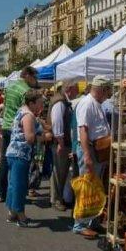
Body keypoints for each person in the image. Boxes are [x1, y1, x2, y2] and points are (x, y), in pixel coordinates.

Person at [74, 75, 112, 238]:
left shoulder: (95, 103)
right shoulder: (87, 103)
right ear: (102, 89)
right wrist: (87, 156)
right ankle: (80, 224)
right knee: (88, 187)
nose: (109, 93)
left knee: (95, 188)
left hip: (96, 150)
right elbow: (83, 130)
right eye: (108, 90)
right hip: (89, 149)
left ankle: (92, 222)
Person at [5, 90, 50, 227]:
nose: (41, 106)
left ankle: (12, 212)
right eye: (39, 103)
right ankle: (20, 215)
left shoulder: (23, 111)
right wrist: (44, 138)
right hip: (20, 154)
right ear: (32, 103)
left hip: (14, 153)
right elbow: (30, 138)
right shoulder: (28, 115)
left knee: (13, 184)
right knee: (19, 185)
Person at [0, 66, 39, 202]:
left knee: (5, 160)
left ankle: (1, 192)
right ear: (27, 75)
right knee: (20, 162)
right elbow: (26, 110)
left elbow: (5, 105)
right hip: (18, 129)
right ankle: (18, 194)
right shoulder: (26, 91)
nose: (35, 80)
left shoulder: (10, 87)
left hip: (6, 125)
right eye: (34, 77)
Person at [49, 82, 77, 211]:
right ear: (69, 89)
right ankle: (56, 199)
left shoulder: (61, 100)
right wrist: (60, 143)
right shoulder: (60, 102)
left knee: (61, 172)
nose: (77, 93)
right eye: (76, 90)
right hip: (61, 143)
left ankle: (58, 198)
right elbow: (57, 122)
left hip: (61, 142)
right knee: (59, 172)